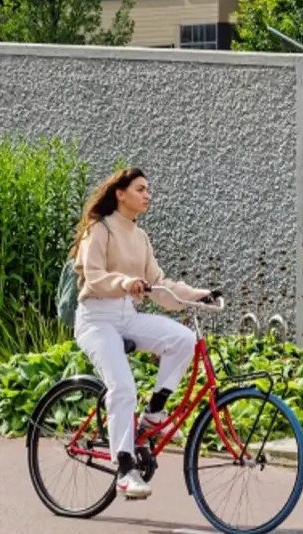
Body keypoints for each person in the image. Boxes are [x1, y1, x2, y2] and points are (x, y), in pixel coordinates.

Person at [71, 167, 219, 500]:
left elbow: (160, 286)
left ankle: (153, 414)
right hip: (96, 318)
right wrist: (125, 282)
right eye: (140, 189)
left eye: (148, 190)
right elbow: (94, 277)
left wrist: (200, 295)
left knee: (183, 339)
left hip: (126, 315)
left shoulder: (140, 238)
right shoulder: (99, 229)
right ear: (120, 194)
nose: (147, 195)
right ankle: (125, 470)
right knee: (123, 386)